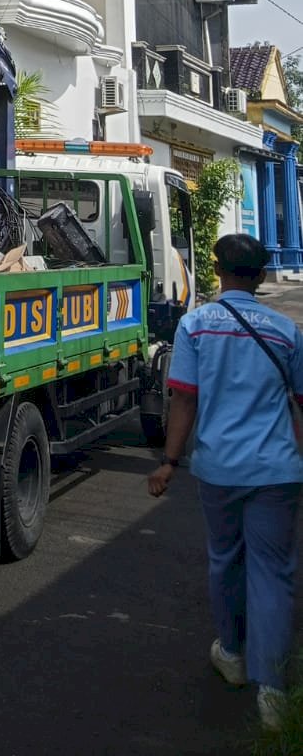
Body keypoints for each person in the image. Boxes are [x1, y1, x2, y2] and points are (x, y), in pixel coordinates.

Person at [148, 233, 303, 730]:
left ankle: (232, 654)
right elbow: (299, 406)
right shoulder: (287, 331)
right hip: (278, 471)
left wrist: (170, 460)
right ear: (260, 277)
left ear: (218, 271)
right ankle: (275, 694)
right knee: (274, 573)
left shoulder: (196, 326)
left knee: (226, 560)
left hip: (218, 470)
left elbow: (184, 400)